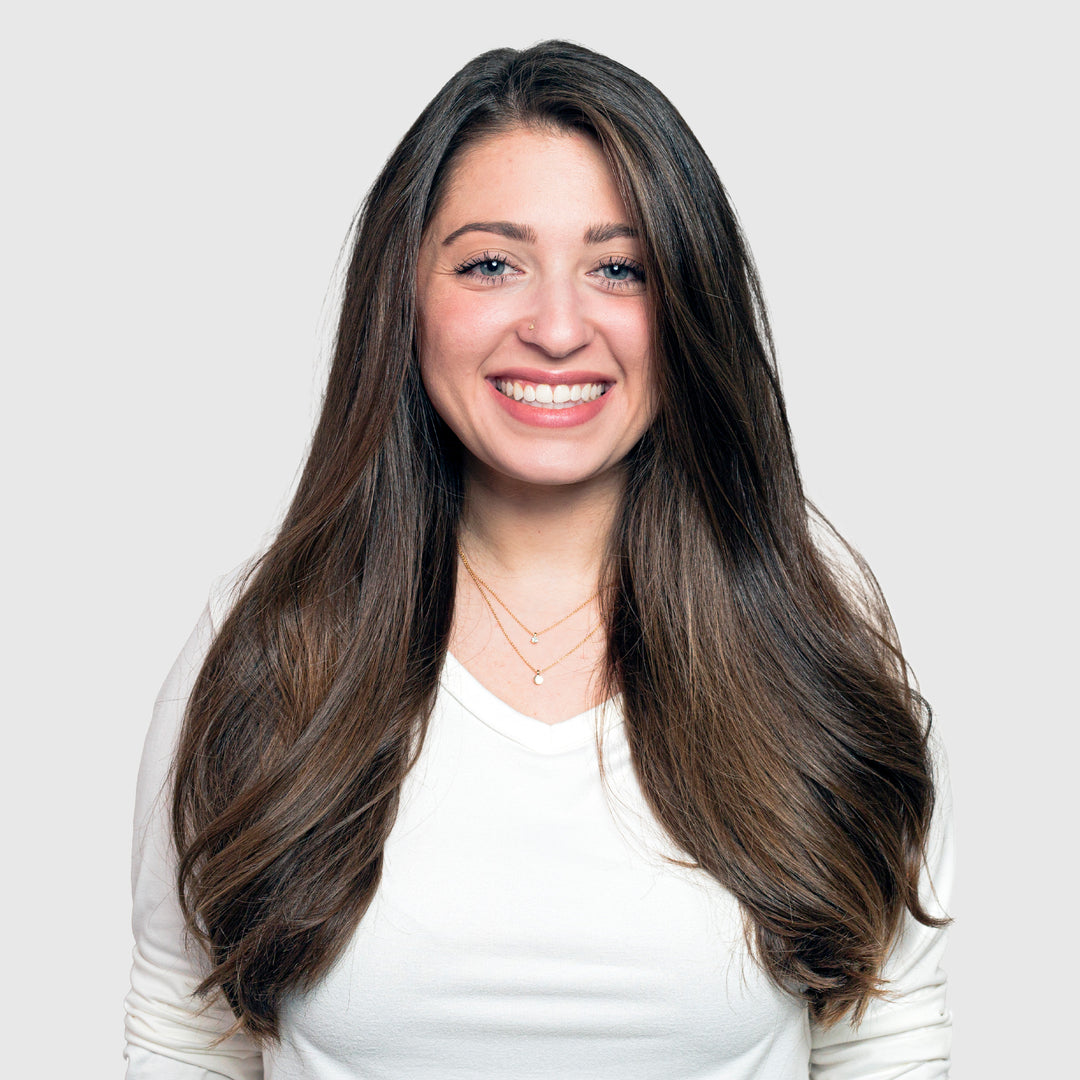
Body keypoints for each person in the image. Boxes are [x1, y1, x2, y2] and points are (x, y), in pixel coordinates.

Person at [124, 40, 953, 1079]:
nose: (558, 328)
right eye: (490, 265)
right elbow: (185, 1038)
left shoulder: (811, 645)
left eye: (619, 269)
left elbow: (885, 1040)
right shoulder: (271, 645)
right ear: (403, 297)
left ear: (689, 304)